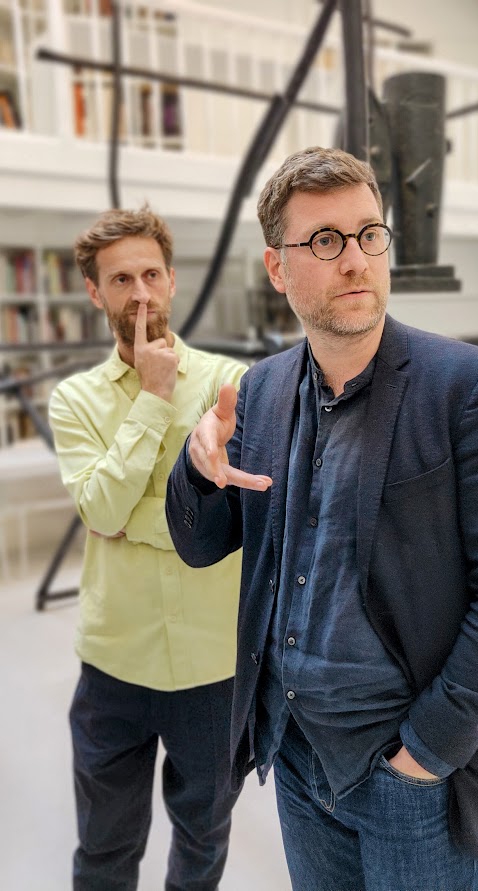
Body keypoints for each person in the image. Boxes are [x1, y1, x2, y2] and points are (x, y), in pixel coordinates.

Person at [165, 146, 478, 891]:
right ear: (277, 269)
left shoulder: (467, 388)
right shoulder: (260, 391)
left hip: (411, 776)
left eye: (367, 234)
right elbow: (199, 544)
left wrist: (424, 756)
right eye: (323, 240)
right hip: (295, 752)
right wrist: (194, 465)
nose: (354, 259)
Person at [48, 206, 248, 890]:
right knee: (103, 848)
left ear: (171, 280)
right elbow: (98, 507)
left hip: (213, 667)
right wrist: (155, 399)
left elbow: (242, 515)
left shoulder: (232, 384)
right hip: (115, 663)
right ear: (94, 292)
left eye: (151, 274)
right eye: (121, 279)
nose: (139, 293)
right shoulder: (73, 400)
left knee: (203, 840)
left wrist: (134, 517)